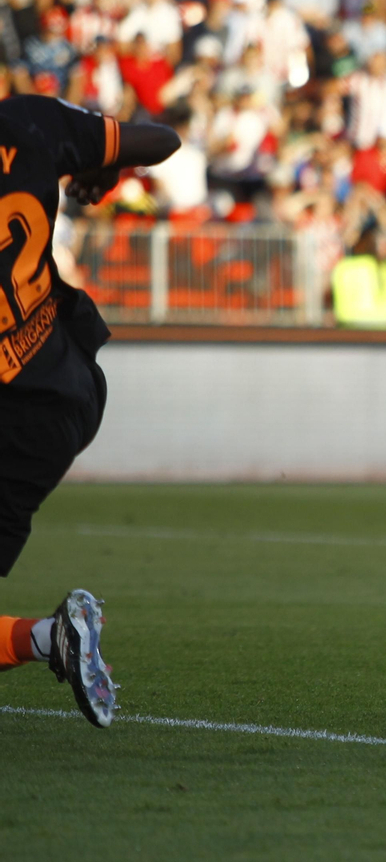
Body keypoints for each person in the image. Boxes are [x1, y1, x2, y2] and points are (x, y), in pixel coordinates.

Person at [0, 95, 181, 727]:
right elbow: (160, 140)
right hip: (64, 386)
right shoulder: (30, 123)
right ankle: (55, 640)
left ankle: (53, 638)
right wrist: (102, 168)